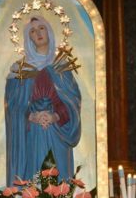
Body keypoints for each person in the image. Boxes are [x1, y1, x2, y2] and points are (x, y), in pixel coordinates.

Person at [5, 16, 81, 184]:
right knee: (35, 178)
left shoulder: (61, 67)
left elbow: (73, 101)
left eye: (41, 28)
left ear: (49, 32)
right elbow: (13, 106)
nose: (38, 33)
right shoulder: (19, 70)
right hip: (33, 131)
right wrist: (30, 116)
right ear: (29, 38)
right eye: (32, 31)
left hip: (57, 131)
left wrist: (55, 116)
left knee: (58, 181)